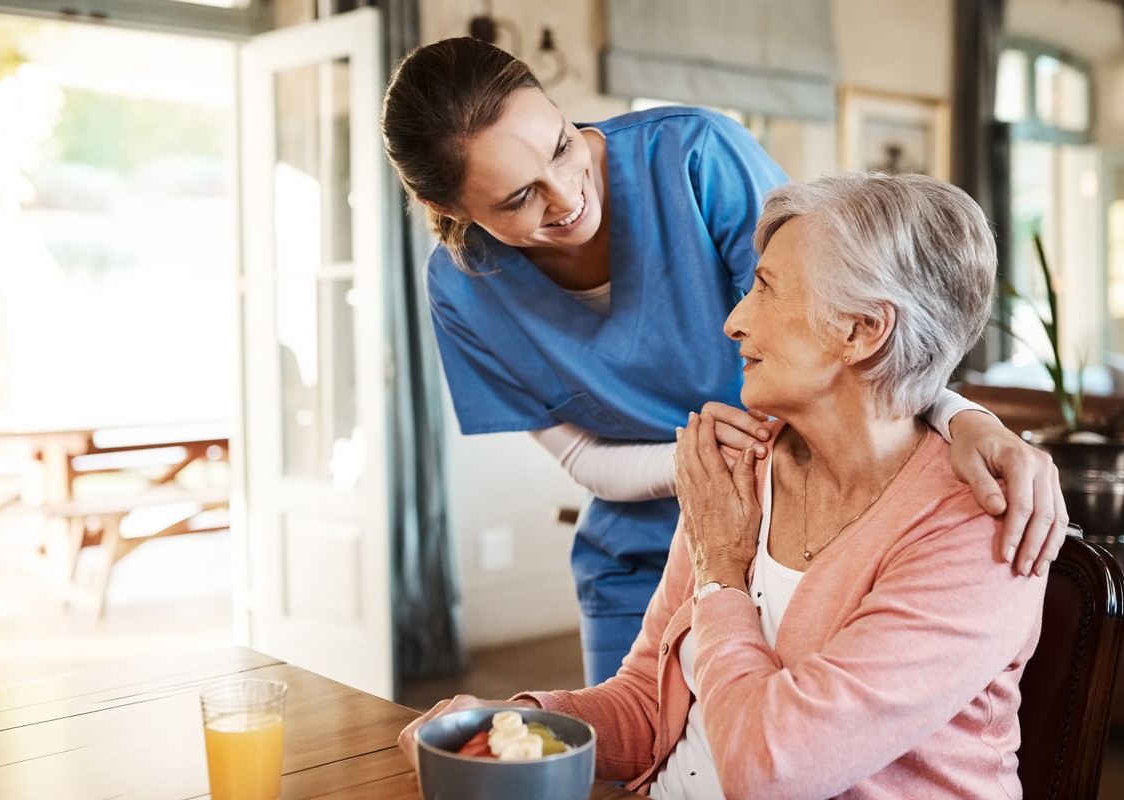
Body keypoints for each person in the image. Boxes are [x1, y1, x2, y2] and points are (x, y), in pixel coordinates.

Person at [381, 37, 1066, 685]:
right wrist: (700, 469)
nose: (567, 196)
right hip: (640, 553)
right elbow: (581, 460)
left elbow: (854, 321)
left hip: (801, 528)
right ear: (446, 208)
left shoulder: (694, 157)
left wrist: (964, 417)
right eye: (518, 198)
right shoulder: (462, 290)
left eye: (562, 146)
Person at [399, 172, 1051, 799]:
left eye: (766, 288)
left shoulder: (975, 531)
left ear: (861, 331)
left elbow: (769, 772)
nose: (734, 320)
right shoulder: (744, 466)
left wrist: (720, 574)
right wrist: (513, 725)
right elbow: (650, 702)